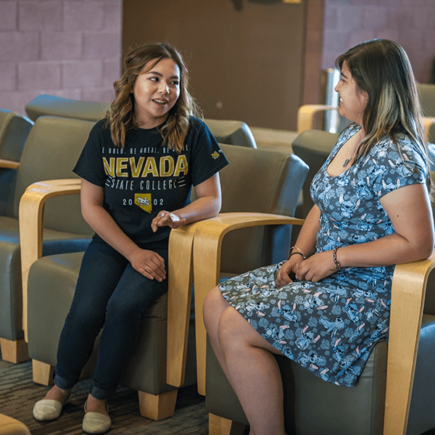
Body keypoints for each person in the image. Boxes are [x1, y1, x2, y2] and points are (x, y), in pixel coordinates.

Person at [203, 39, 434, 435]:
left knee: (236, 326)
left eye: (343, 80)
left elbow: (418, 243)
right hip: (321, 271)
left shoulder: (395, 155)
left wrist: (335, 258)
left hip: (368, 293)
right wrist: (298, 252)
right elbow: (320, 203)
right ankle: (257, 415)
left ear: (370, 89)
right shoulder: (351, 134)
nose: (336, 88)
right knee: (215, 300)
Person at [32, 42, 229, 434]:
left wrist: (178, 215)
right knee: (86, 310)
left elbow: (212, 201)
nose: (164, 90)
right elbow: (91, 206)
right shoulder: (106, 132)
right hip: (113, 243)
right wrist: (132, 252)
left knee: (123, 307)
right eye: (154, 79)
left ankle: (98, 397)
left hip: (163, 247)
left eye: (173, 82)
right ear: (132, 83)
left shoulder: (193, 132)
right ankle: (60, 386)